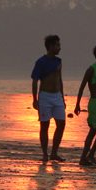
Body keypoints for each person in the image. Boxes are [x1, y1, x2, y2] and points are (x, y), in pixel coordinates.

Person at [31, 35, 66, 163]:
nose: (59, 48)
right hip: (45, 96)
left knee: (61, 124)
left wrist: (62, 97)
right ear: (50, 46)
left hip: (57, 96)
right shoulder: (41, 62)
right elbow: (35, 81)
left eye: (59, 45)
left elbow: (60, 80)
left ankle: (54, 153)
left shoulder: (59, 61)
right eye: (57, 45)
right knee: (44, 125)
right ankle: (45, 153)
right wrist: (35, 99)